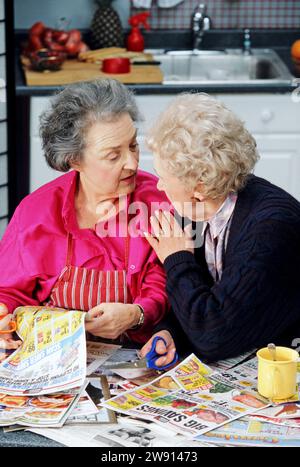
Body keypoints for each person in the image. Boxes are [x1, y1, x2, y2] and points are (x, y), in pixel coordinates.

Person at [0, 78, 170, 359]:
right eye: (113, 155)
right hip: (50, 357)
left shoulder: (157, 199)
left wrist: (137, 314)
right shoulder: (37, 211)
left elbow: (169, 280)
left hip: (135, 355)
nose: (132, 163)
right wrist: (4, 320)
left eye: (133, 145)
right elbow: (9, 293)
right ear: (75, 160)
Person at [140, 92, 300, 365]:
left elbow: (212, 335)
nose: (159, 186)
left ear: (199, 187)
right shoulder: (196, 209)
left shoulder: (270, 229)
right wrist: (169, 331)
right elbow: (198, 299)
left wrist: (176, 259)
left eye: (164, 177)